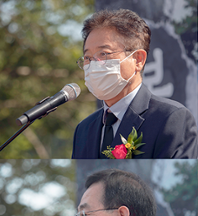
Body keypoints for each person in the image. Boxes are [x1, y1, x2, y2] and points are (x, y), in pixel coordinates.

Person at [71, 9, 198, 159]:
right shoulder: (84, 129)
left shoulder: (170, 119)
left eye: (103, 54)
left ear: (138, 59)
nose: (93, 65)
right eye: (87, 57)